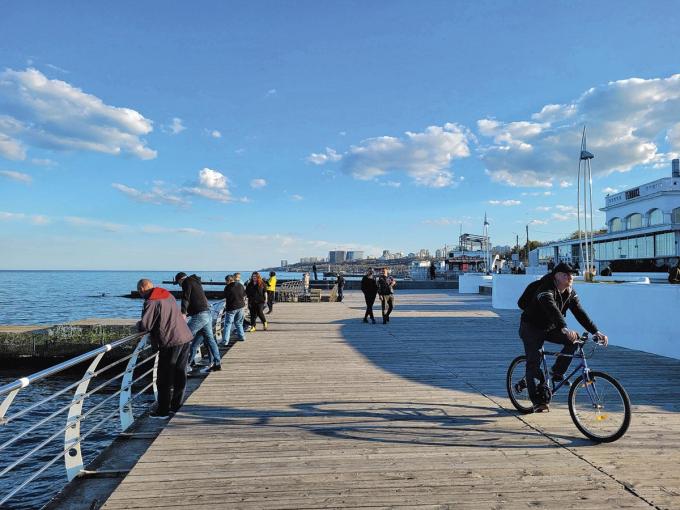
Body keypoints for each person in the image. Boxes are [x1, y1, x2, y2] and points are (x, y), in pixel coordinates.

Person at [518, 262, 608, 413]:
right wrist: (564, 328)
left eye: (572, 274)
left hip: (550, 327)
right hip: (531, 327)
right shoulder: (545, 288)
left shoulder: (570, 292)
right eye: (566, 274)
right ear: (556, 276)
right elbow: (551, 309)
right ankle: (538, 401)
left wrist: (595, 331)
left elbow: (580, 313)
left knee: (575, 340)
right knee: (533, 362)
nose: (570, 277)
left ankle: (557, 372)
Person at [136, 279, 193, 419]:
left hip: (170, 341)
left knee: (164, 377)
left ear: (142, 289)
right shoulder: (168, 295)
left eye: (139, 291)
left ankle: (163, 411)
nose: (139, 294)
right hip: (184, 336)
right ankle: (176, 405)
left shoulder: (151, 301)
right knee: (180, 372)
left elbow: (145, 325)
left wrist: (137, 325)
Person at [174, 272, 221, 373]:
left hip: (200, 315)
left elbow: (186, 297)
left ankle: (182, 367)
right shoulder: (195, 282)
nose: (179, 286)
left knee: (184, 337)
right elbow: (197, 298)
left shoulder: (186, 282)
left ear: (181, 280)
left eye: (178, 283)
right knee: (210, 340)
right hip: (207, 313)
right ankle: (217, 364)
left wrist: (183, 312)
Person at [222, 275, 246, 345]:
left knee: (227, 324)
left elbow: (225, 297)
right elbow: (244, 295)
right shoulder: (240, 285)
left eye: (226, 281)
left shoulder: (227, 287)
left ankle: (225, 341)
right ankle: (242, 336)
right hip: (241, 306)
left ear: (228, 280)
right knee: (238, 323)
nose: (225, 282)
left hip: (231, 308)